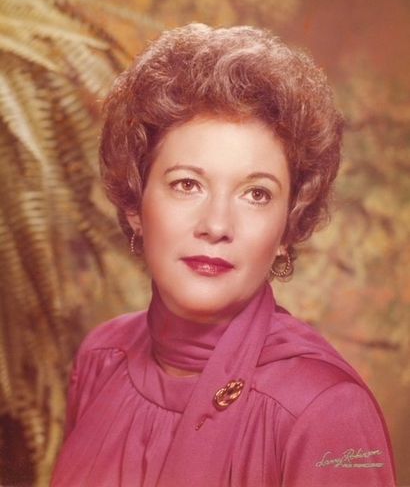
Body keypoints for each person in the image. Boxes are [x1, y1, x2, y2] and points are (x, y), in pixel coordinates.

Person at [51, 24, 396, 487]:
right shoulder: (101, 359)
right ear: (135, 204)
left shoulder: (328, 412)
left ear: (287, 228)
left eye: (256, 194)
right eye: (187, 184)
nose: (216, 225)